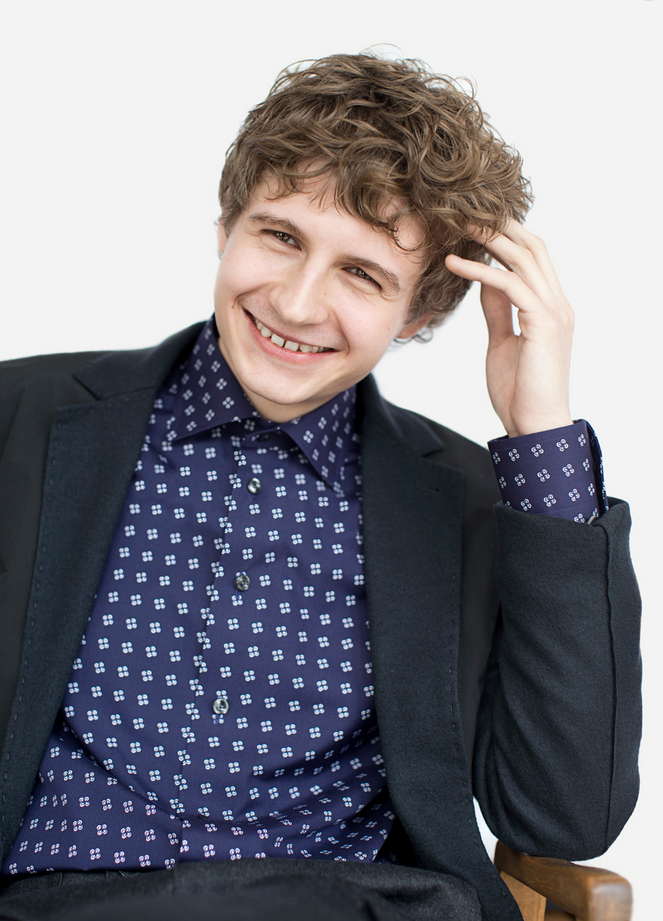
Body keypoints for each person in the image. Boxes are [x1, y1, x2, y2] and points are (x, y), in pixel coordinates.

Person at [0, 51, 642, 921]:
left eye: (362, 274)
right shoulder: (20, 418)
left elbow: (564, 814)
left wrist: (541, 439)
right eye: (280, 236)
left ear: (419, 313)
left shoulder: (467, 501)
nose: (298, 305)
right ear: (226, 223)